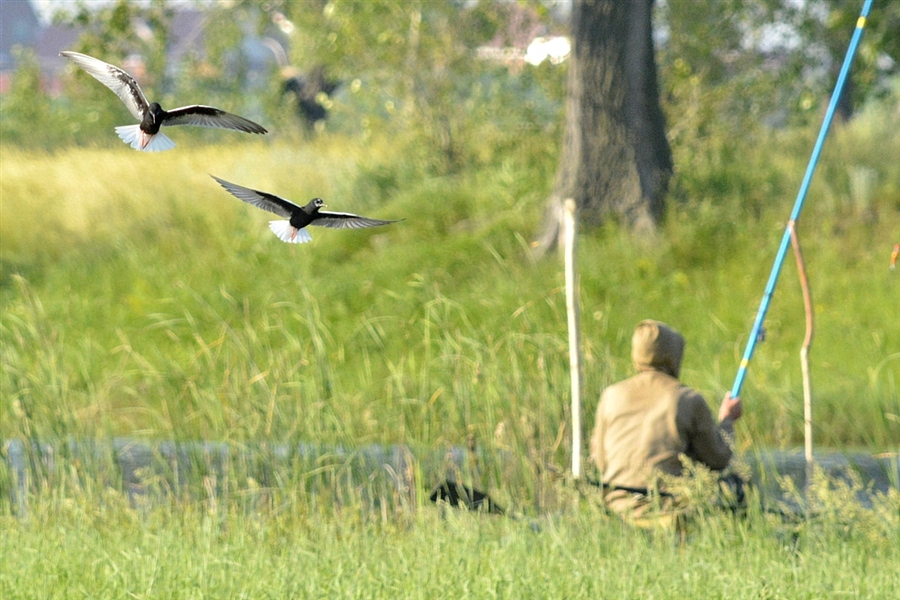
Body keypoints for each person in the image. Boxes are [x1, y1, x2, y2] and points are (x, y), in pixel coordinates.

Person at [589, 319, 743, 517]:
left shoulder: (610, 395)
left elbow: (601, 462)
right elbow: (718, 458)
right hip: (667, 512)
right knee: (735, 484)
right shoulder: (687, 399)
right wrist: (727, 420)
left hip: (616, 509)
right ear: (674, 356)